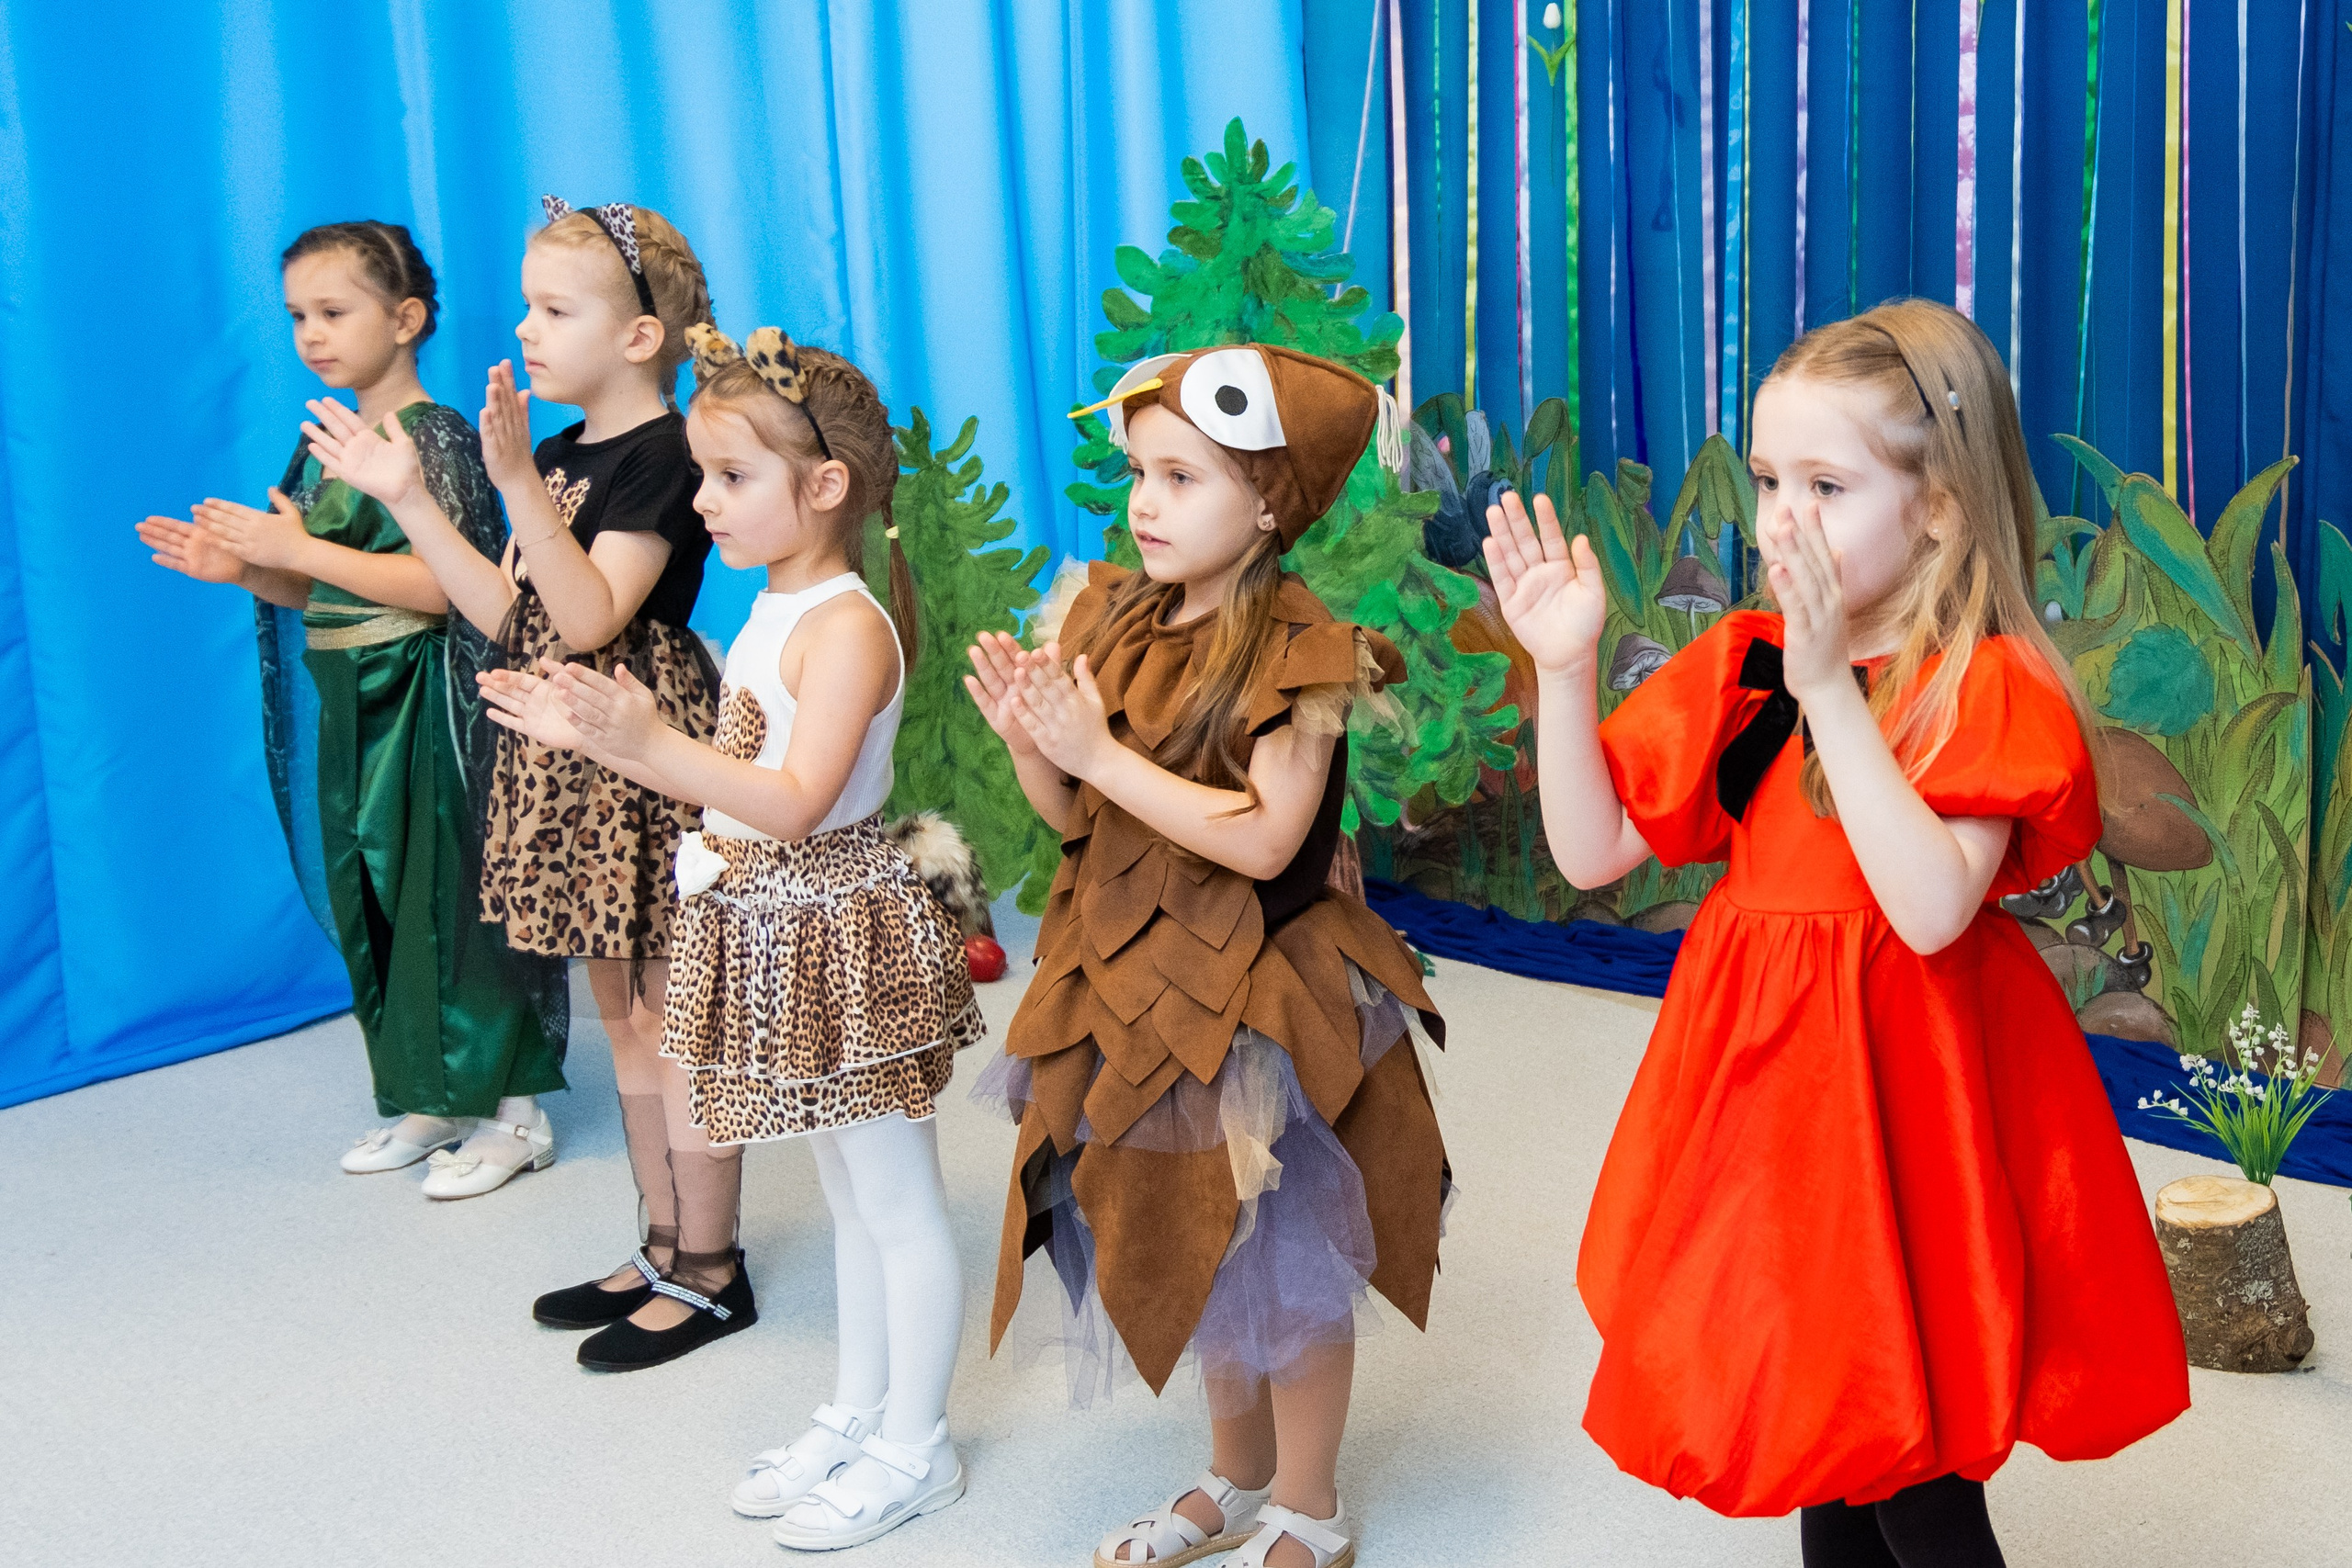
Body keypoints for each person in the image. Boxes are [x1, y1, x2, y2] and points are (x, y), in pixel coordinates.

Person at [1487, 298, 2189, 1566]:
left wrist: (1829, 692)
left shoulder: (1981, 681)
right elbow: (1593, 853)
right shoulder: (1744, 665)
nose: (1780, 518)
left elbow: (1928, 905)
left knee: (1911, 1459)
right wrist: (1564, 669)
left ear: (1940, 507)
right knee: (1825, 1406)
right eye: (1766, 477)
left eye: (1826, 482)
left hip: (1911, 1098)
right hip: (1772, 1099)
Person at [481, 321, 985, 1544]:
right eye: (702, 474)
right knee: (850, 1195)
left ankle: (918, 1444)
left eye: (730, 477)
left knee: (899, 1200)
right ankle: (858, 1409)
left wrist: (644, 744)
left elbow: (797, 798)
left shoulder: (848, 623)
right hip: (776, 928)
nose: (701, 500)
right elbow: (736, 764)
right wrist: (607, 729)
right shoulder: (778, 604)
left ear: (825, 488)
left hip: (838, 933)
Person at [967, 344, 1448, 1568]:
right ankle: (1234, 1471)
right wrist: (1039, 740)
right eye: (1139, 472)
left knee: (1285, 1249)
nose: (1144, 501)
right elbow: (1084, 820)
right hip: (1134, 981)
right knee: (1196, 1229)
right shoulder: (1115, 612)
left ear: (1272, 498)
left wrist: (1108, 754)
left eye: (1182, 477)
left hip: (1261, 994)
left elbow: (1270, 832)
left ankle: (1309, 1497)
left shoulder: (1303, 645)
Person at [302, 198, 720, 1309]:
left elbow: (591, 618)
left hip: (636, 748)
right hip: (558, 751)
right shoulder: (556, 449)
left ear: (639, 337)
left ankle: (712, 1265)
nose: (525, 328)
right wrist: (415, 504)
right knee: (619, 1016)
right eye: (526, 303)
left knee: (666, 1015)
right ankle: (663, 1243)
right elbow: (506, 609)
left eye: (554, 308)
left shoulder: (668, 454)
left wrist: (519, 490)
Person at [137, 220, 568, 1187]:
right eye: (298, 315)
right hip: (353, 713)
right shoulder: (327, 444)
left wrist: (297, 554)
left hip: (427, 707)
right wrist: (245, 571)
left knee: (451, 895)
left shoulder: (438, 436)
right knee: (375, 896)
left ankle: (514, 1107)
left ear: (407, 318)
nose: (312, 334)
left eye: (335, 311)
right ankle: (431, 1092)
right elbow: (327, 588)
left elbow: (449, 586)